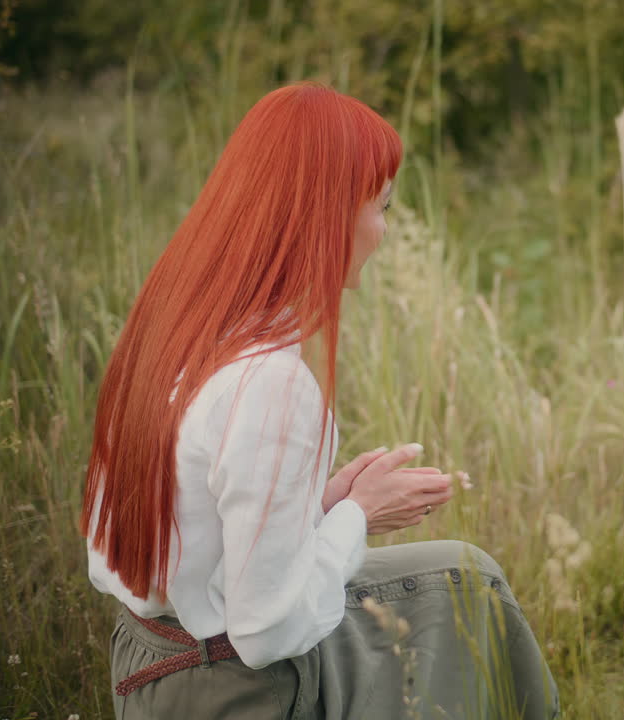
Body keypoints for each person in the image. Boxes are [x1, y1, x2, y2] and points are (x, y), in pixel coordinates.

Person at [80, 82, 559, 719]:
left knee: (465, 572)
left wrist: (323, 502)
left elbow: (194, 528)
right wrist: (356, 517)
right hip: (228, 691)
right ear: (329, 216)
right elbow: (266, 633)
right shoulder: (269, 383)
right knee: (470, 591)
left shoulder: (175, 332)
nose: (384, 232)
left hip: (145, 665)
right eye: (381, 206)